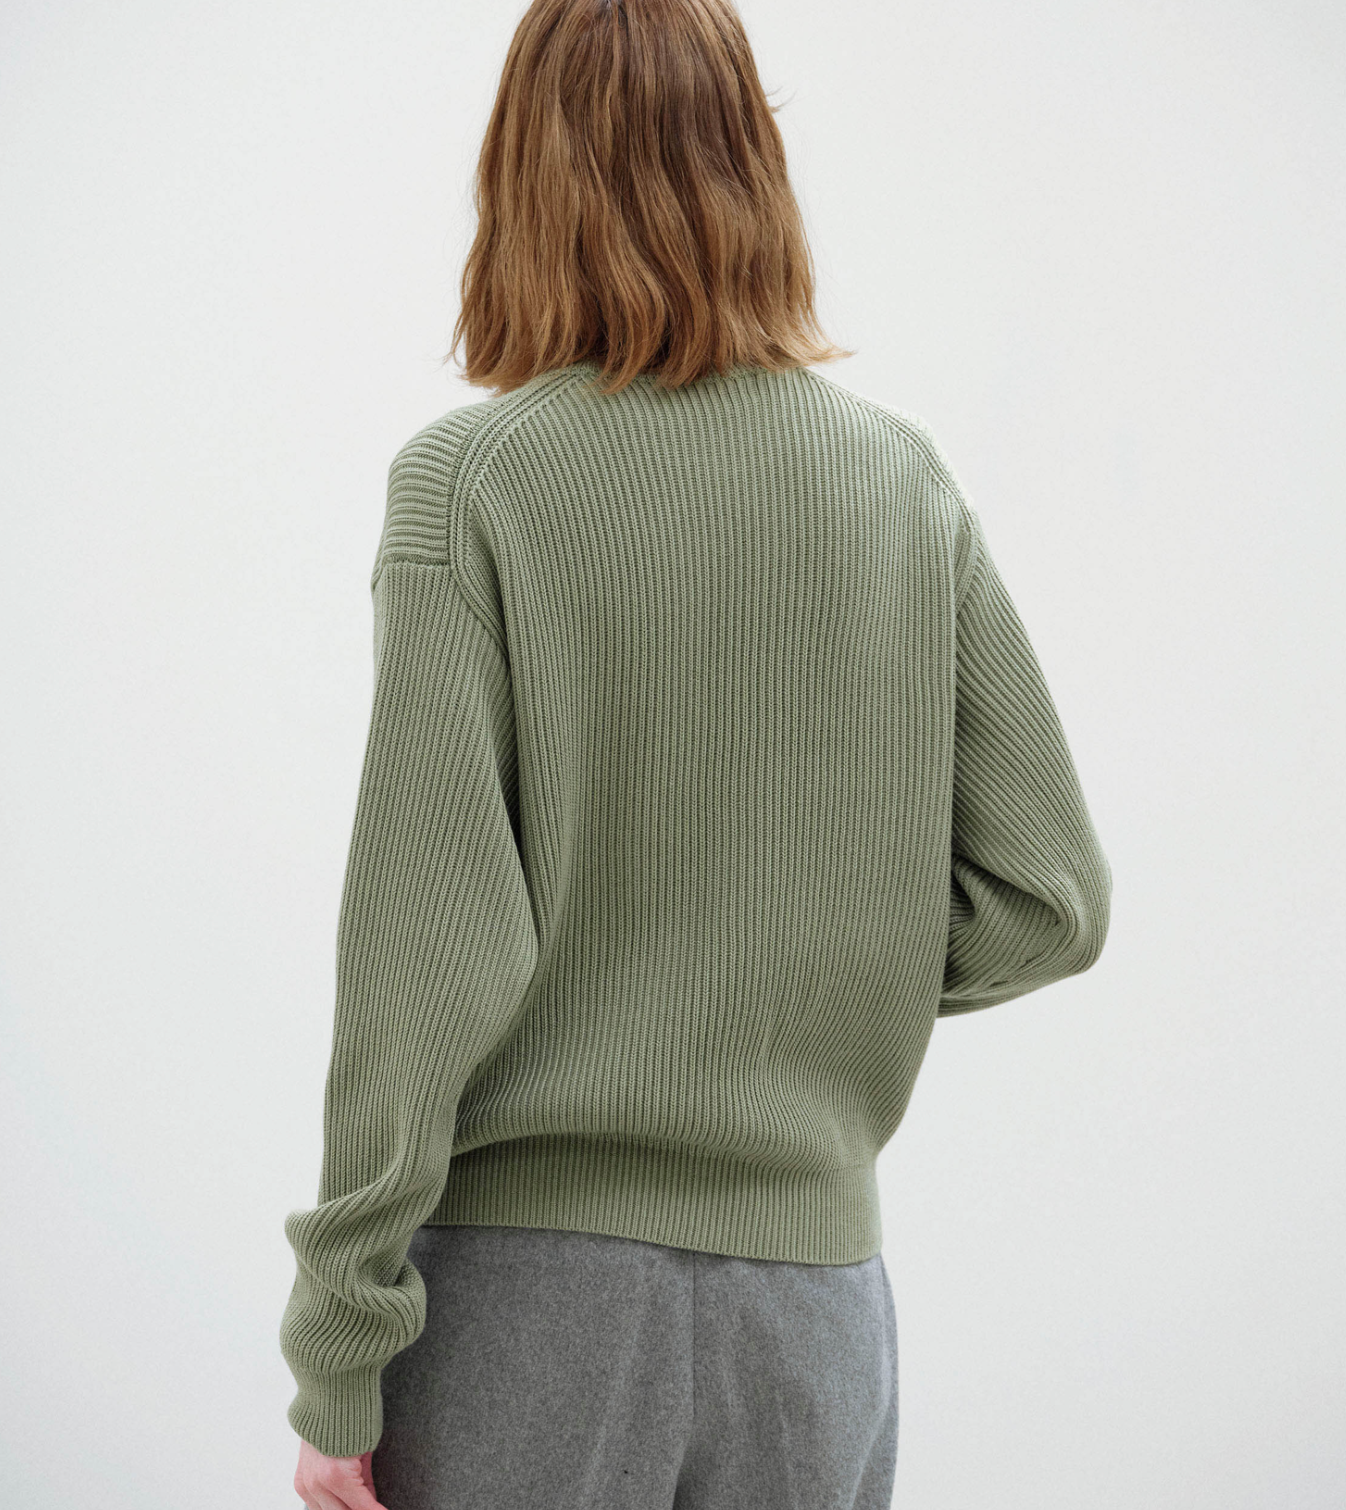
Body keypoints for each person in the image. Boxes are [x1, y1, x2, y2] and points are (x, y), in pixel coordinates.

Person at [280, 1, 1113, 1506]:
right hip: (815, 1313)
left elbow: (422, 950)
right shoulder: (898, 481)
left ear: (520, 177)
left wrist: (341, 1338)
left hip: (532, 1307)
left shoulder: (473, 484)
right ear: (755, 164)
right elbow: (1047, 898)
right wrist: (802, 971)